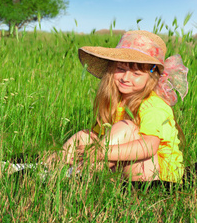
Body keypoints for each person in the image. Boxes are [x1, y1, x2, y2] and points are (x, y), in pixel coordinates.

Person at [59, 30, 189, 183]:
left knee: (126, 127)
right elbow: (101, 137)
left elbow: (148, 147)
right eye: (121, 69)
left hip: (155, 175)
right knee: (85, 136)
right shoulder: (116, 100)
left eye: (136, 74)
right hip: (124, 164)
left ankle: (77, 173)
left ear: (151, 76)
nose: (126, 78)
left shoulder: (154, 106)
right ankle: (51, 165)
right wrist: (94, 147)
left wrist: (102, 152)